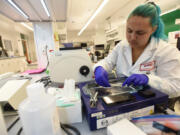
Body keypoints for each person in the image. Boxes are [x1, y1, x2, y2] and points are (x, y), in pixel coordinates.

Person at [93, 2, 180, 98]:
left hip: (154, 104)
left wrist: (148, 80)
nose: (132, 37)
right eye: (129, 30)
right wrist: (99, 68)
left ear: (153, 29)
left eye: (140, 32)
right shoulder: (121, 46)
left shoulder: (167, 51)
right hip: (123, 98)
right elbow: (107, 62)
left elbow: (176, 88)